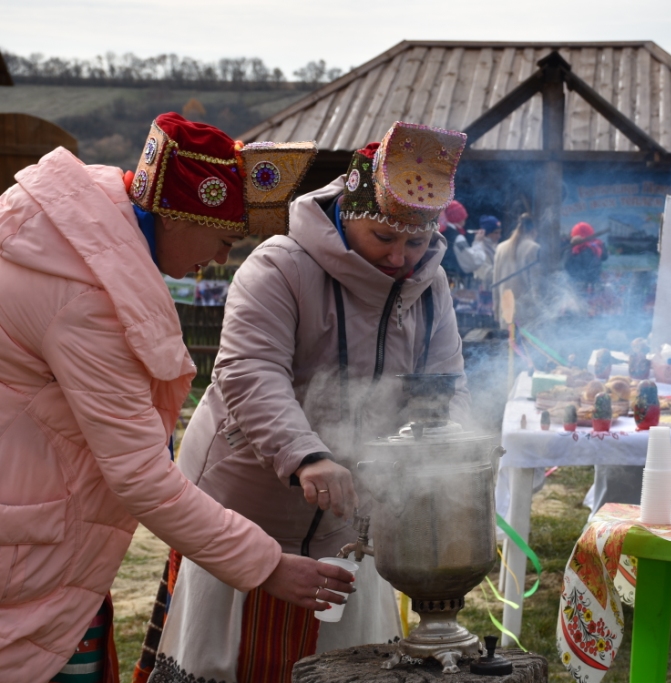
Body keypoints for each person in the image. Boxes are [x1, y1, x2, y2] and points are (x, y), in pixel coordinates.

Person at [0, 113, 354, 682]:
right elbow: (141, 474)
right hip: (27, 548)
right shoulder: (87, 298)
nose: (219, 258)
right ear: (183, 213)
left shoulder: (70, 230)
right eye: (224, 238)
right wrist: (266, 566)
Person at [141, 122, 472, 682]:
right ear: (348, 212)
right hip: (246, 505)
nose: (400, 257)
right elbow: (249, 371)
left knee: (349, 664)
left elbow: (444, 386)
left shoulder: (430, 286)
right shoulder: (280, 266)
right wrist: (307, 455)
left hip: (352, 522)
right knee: (230, 663)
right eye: (384, 237)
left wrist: (457, 455)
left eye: (415, 242)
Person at [492, 213, 541, 326]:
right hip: (526, 315)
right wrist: (540, 312)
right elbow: (535, 286)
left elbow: (495, 282)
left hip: (506, 313)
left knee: (507, 343)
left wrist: (496, 311)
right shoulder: (533, 248)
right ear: (533, 230)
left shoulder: (500, 247)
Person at [564, 221, 608, 292]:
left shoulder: (580, 250)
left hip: (581, 287)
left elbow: (567, 266)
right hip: (595, 284)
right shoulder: (597, 245)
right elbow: (604, 257)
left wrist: (572, 246)